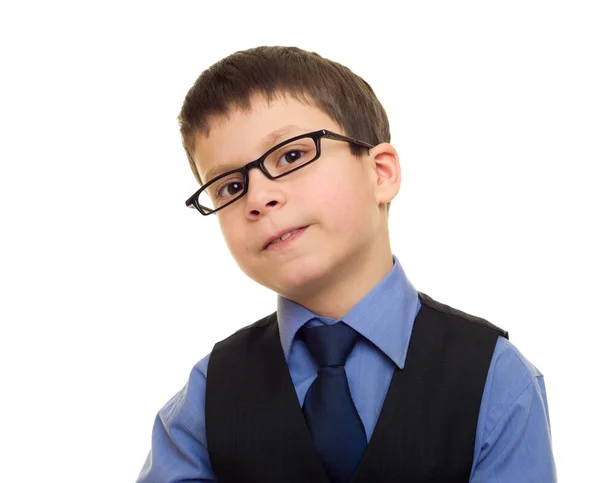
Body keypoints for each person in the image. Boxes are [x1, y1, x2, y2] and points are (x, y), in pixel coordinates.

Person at [136, 46, 556, 482]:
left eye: (292, 156)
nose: (259, 198)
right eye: (230, 186)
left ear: (380, 173)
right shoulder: (205, 400)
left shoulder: (495, 378)